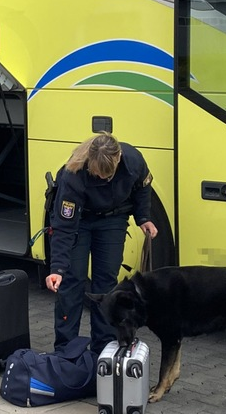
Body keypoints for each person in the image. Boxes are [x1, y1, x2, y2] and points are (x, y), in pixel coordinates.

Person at [44, 132, 158, 353]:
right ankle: (66, 349)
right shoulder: (72, 175)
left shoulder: (133, 160)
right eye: (99, 175)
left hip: (113, 219)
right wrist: (57, 268)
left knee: (106, 282)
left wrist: (144, 218)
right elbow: (64, 228)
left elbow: (143, 187)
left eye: (109, 175)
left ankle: (103, 347)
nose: (105, 179)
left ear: (119, 158)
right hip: (80, 221)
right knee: (72, 280)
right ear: (89, 163)